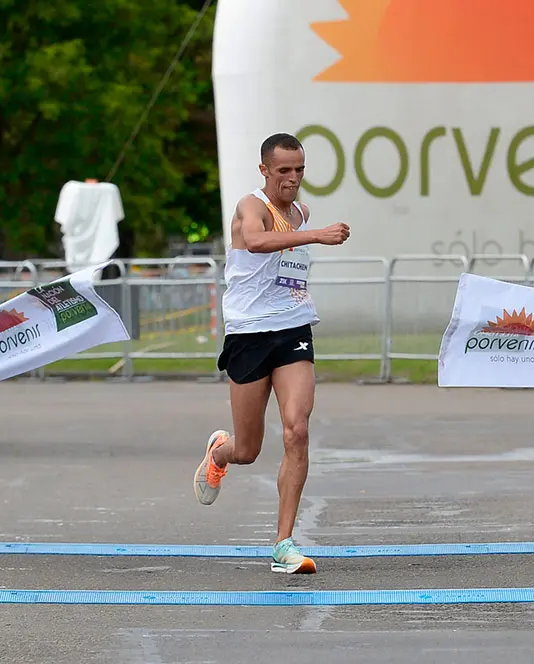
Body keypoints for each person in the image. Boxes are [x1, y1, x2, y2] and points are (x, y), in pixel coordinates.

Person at [192, 133, 350, 574]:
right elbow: (258, 242)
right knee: (248, 450)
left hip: (294, 328)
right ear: (265, 171)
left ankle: (284, 544)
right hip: (249, 333)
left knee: (296, 430)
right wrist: (315, 236)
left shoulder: (300, 210)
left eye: (299, 169)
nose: (293, 178)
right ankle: (220, 452)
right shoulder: (251, 206)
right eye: (284, 171)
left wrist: (307, 230)